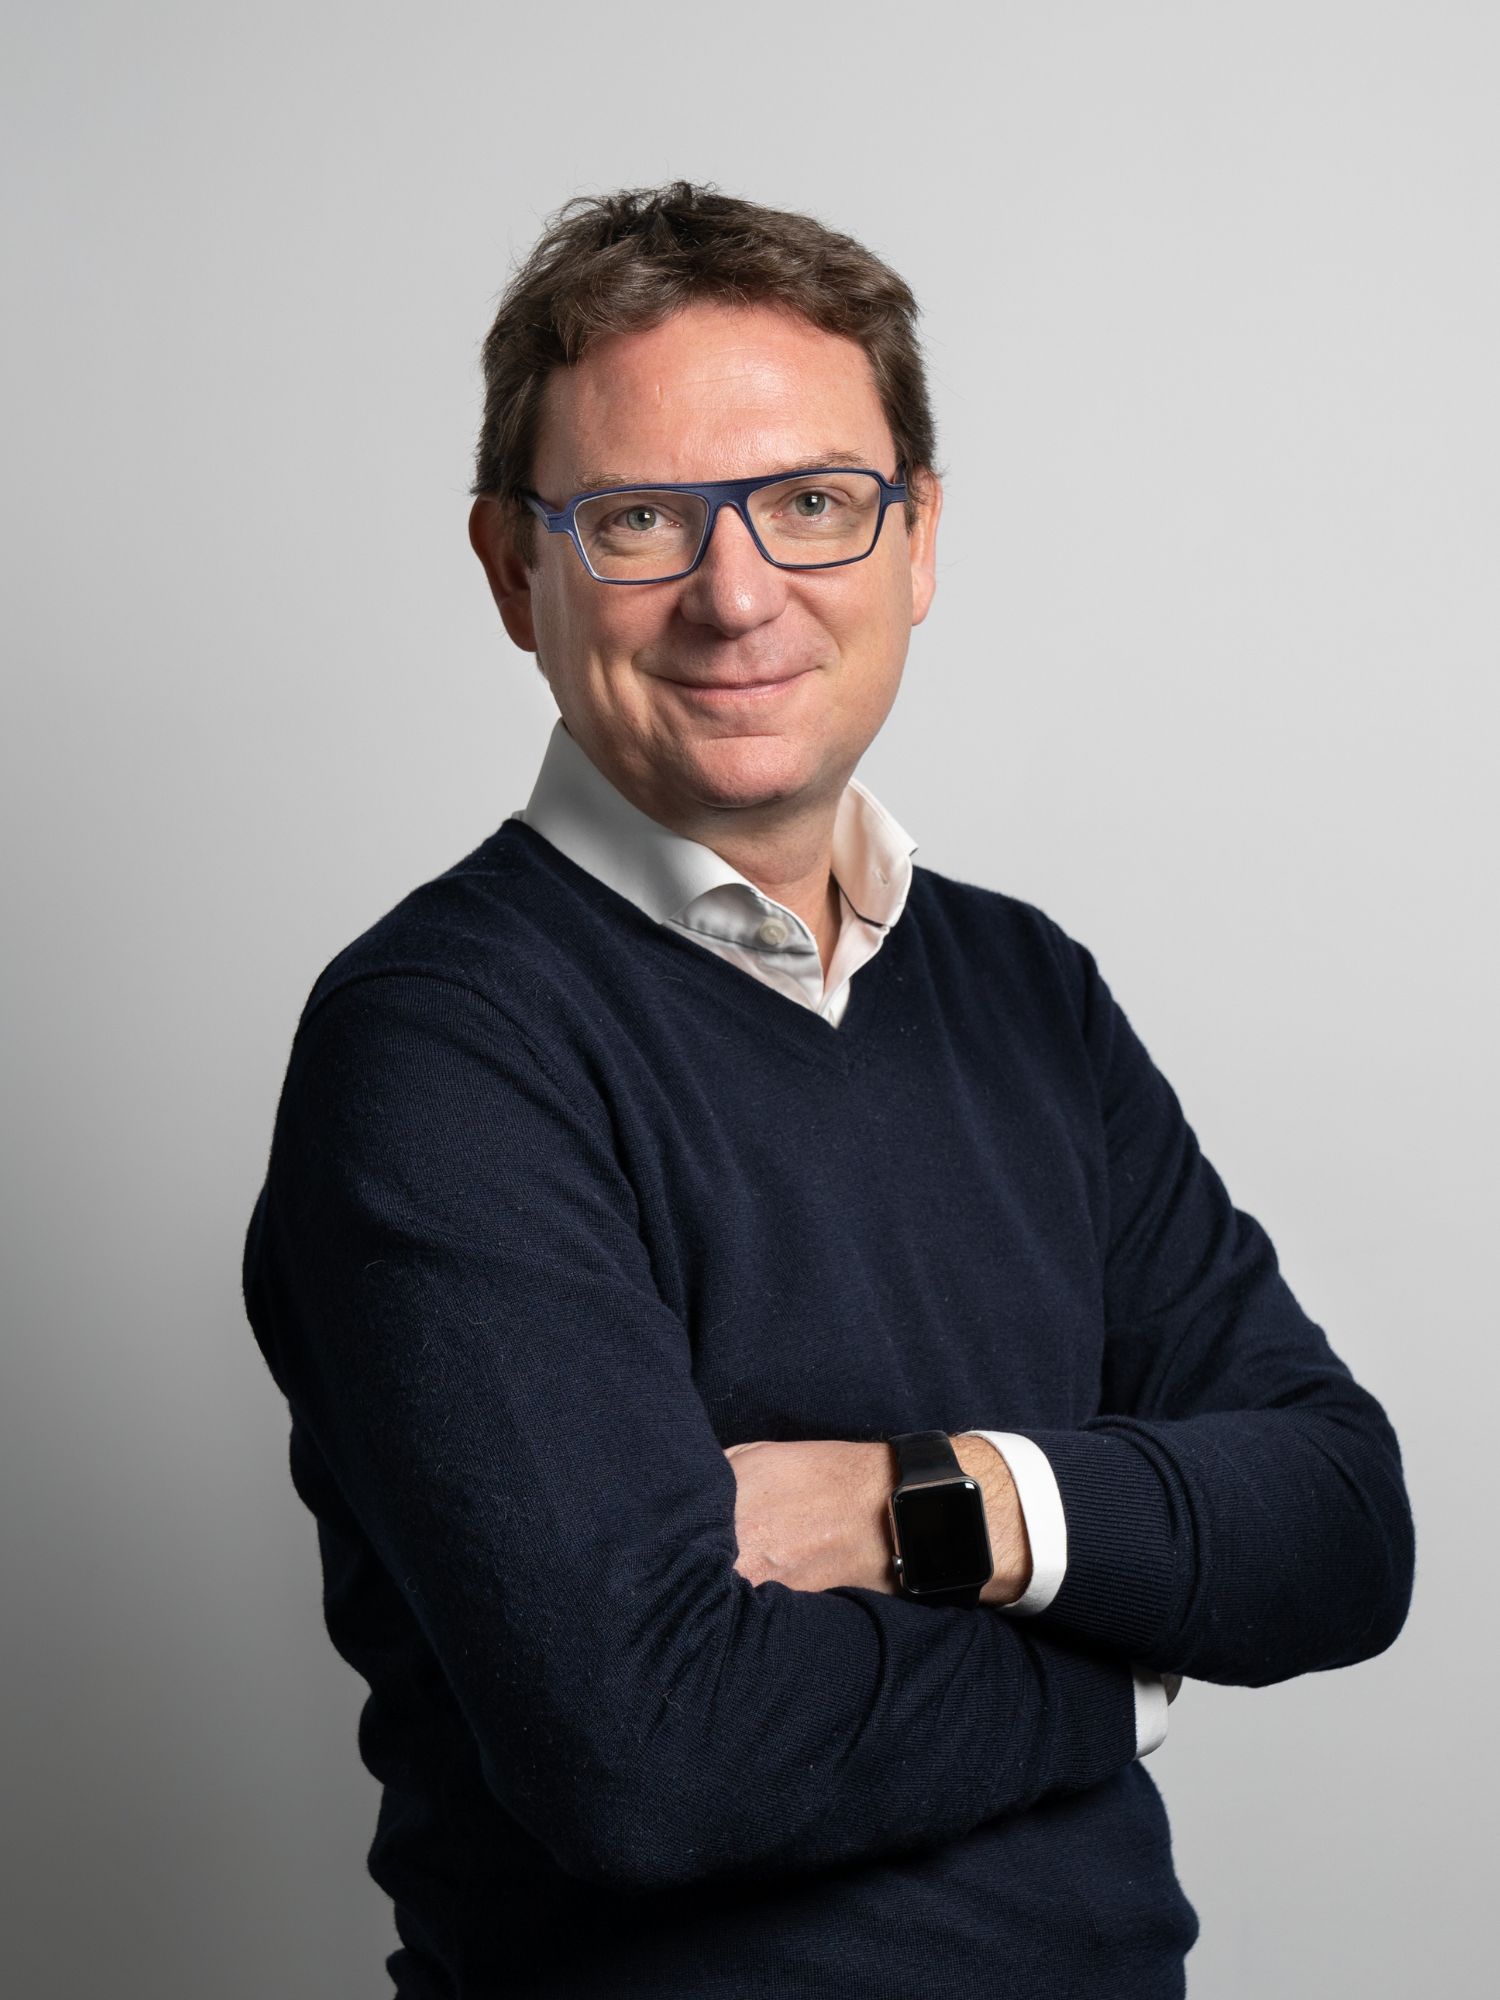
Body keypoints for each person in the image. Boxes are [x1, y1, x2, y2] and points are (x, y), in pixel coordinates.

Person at [241, 182, 1415, 1999]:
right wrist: (1126, 1657)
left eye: (812, 503)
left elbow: (1340, 1525)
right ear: (510, 569)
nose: (737, 596)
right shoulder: (443, 1045)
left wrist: (927, 1502)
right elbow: (650, 1753)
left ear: (917, 540)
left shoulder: (1026, 992)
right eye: (640, 518)